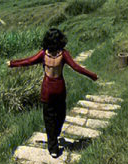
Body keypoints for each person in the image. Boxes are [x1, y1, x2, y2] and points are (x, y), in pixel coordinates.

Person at [8, 28, 98, 157]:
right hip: (60, 89)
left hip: (47, 90)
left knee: (49, 119)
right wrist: (92, 75)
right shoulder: (63, 54)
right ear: (60, 40)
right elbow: (76, 67)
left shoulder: (44, 54)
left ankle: (53, 148)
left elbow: (28, 61)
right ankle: (54, 138)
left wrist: (12, 63)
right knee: (60, 116)